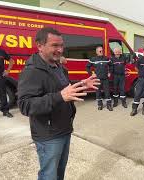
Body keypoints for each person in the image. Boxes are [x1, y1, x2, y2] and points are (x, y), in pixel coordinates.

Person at [18, 27, 99, 180]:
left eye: (61, 45)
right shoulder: (32, 71)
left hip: (64, 129)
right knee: (49, 175)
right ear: (40, 46)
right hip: (48, 135)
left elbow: (63, 89)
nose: (60, 50)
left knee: (59, 173)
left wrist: (82, 84)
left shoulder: (57, 66)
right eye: (55, 45)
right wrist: (59, 97)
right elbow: (25, 105)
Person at [86, 46, 113, 111]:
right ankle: (100, 105)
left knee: (107, 92)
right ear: (96, 52)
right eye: (99, 51)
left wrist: (110, 72)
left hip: (105, 79)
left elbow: (111, 65)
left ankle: (109, 105)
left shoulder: (107, 58)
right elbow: (87, 67)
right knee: (98, 92)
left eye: (102, 51)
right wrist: (91, 73)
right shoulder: (93, 59)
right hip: (97, 79)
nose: (101, 52)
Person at [130, 46, 144, 116]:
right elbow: (136, 68)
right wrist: (141, 72)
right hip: (141, 79)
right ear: (143, 52)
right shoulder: (140, 59)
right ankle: (134, 109)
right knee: (137, 94)